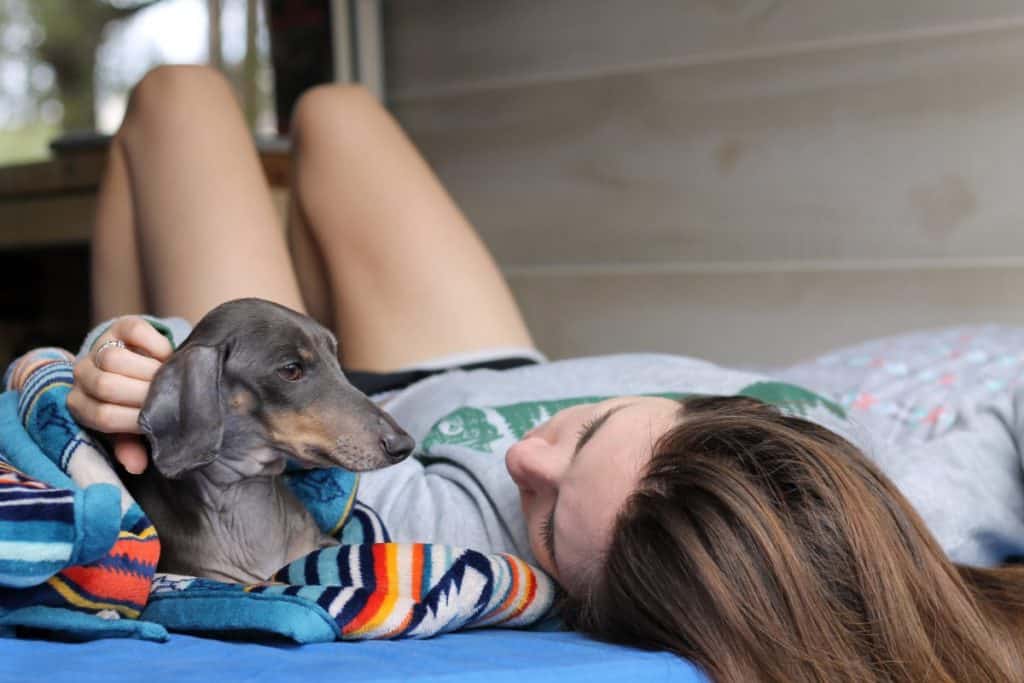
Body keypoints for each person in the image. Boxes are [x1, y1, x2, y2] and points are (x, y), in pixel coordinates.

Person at [66, 65, 1024, 682]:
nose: (527, 460)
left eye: (550, 523)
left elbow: (232, 399)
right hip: (488, 354)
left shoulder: (435, 537)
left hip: (375, 411)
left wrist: (125, 369)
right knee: (336, 108)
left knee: (176, 100)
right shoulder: (897, 510)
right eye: (588, 432)